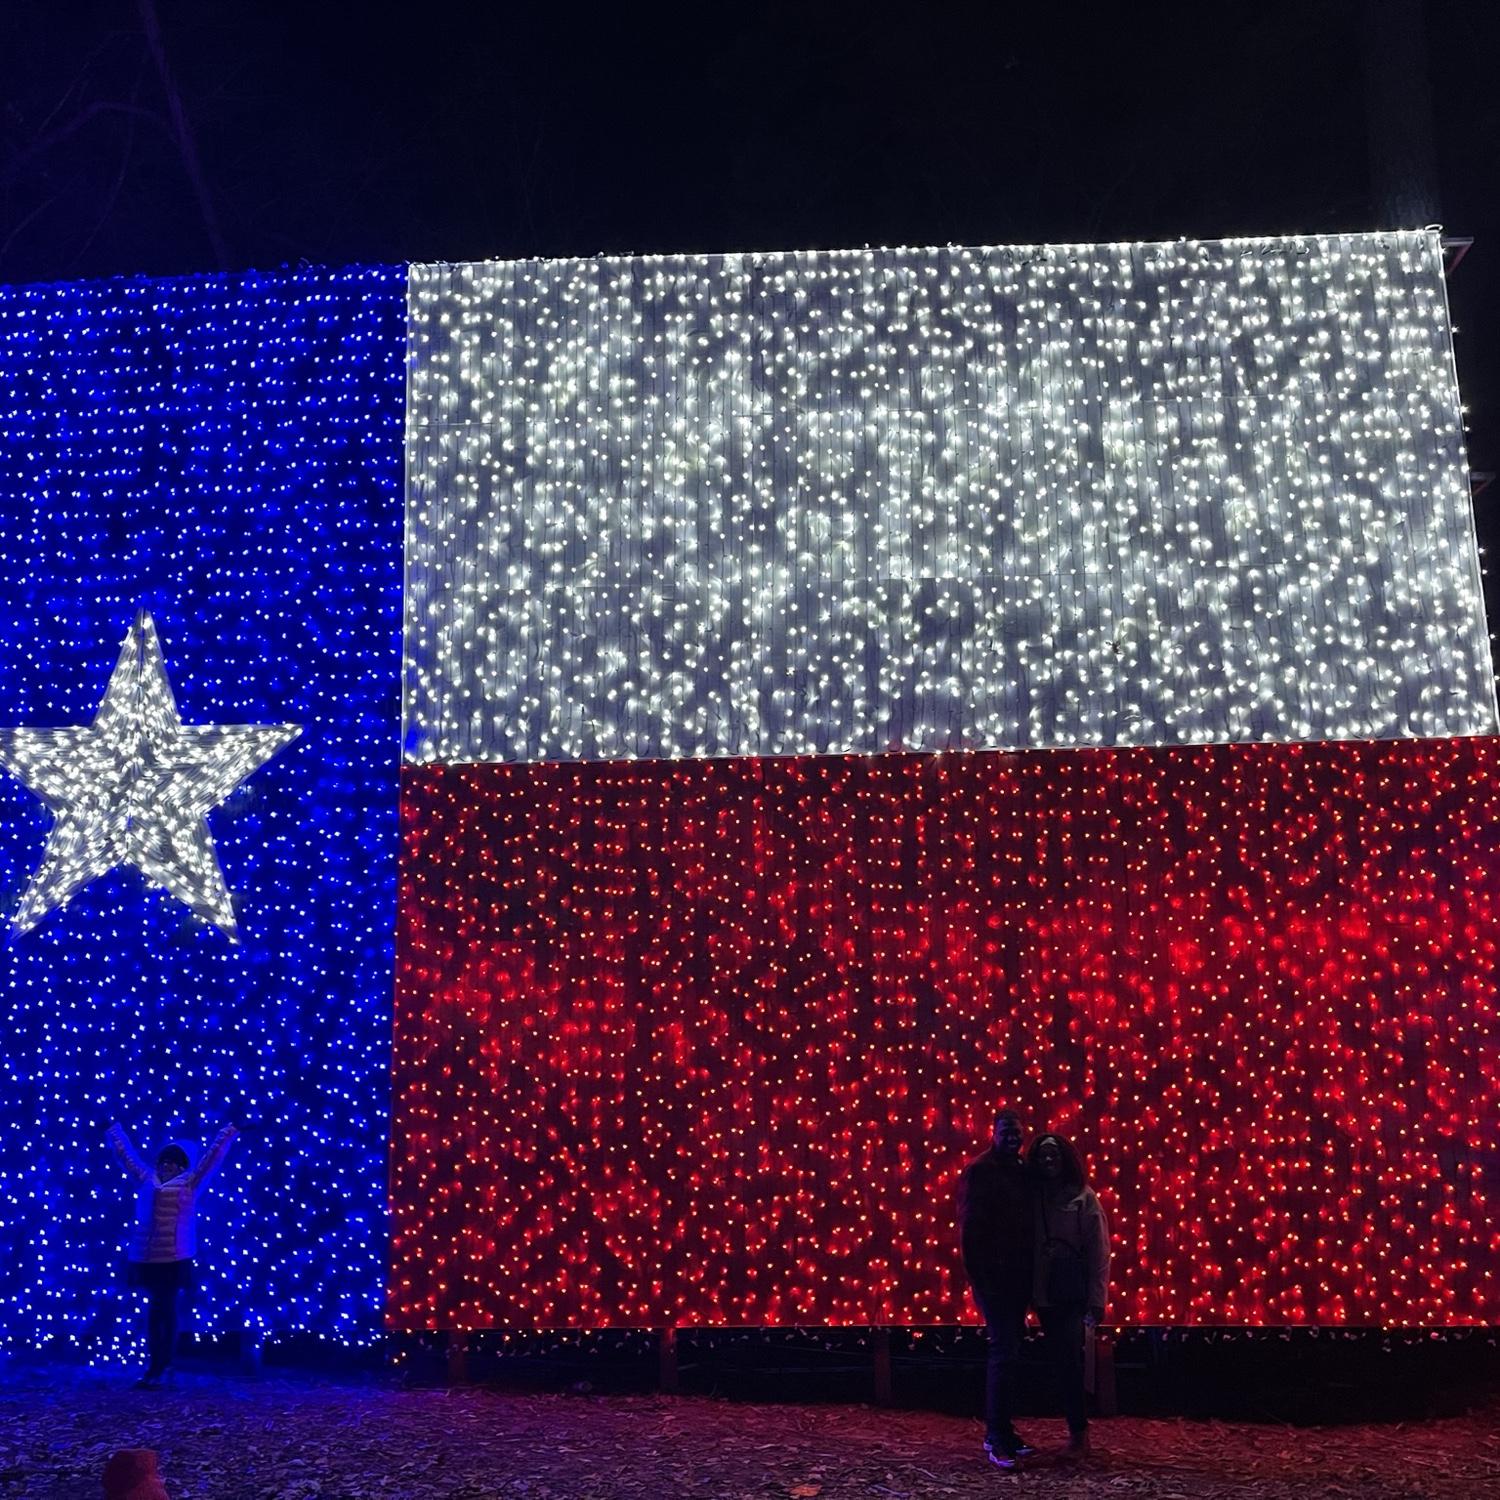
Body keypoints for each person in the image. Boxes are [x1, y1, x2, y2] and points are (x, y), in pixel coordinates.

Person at [107, 1116, 239, 1386]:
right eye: (164, 1160)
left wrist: (229, 1130)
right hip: (148, 1258)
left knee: (162, 1309)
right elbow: (126, 1156)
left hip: (174, 1258)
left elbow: (212, 1158)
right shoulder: (147, 1179)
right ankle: (159, 1367)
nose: (168, 1165)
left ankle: (159, 1367)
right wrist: (113, 1129)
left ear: (182, 1165)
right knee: (158, 1310)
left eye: (174, 1162)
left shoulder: (190, 1184)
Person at [957, 1108, 1037, 1470]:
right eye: (1006, 1132)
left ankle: (1004, 1430)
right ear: (993, 1133)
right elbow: (970, 1229)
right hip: (995, 1278)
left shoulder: (1021, 1169)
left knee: (1010, 1352)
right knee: (1004, 1352)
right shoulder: (980, 1171)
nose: (1013, 1138)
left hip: (1017, 1276)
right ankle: (996, 1436)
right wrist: (980, 1278)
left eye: (1017, 1132)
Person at [1029, 1132, 1110, 1460]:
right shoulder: (1033, 1196)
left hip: (1069, 1289)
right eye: (1042, 1156)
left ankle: (1079, 1432)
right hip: (1044, 1290)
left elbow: (1098, 1250)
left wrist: (1097, 1298)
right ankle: (1076, 1430)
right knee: (1061, 1360)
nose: (1049, 1161)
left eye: (1054, 1155)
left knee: (1069, 1361)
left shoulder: (1083, 1198)